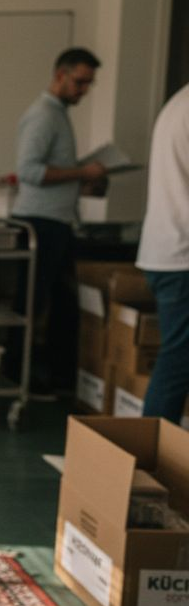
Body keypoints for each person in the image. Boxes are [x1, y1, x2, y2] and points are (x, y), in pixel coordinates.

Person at [9, 48, 107, 394]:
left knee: (62, 305)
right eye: (79, 82)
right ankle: (18, 375)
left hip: (58, 221)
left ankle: (56, 378)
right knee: (31, 305)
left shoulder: (59, 114)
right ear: (60, 75)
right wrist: (82, 172)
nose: (84, 90)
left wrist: (83, 179)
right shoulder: (44, 115)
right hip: (40, 222)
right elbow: (29, 171)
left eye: (89, 83)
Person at [138, 83, 189, 422]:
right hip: (182, 255)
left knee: (177, 358)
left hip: (167, 249)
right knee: (179, 360)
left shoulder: (179, 102)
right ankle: (152, 446)